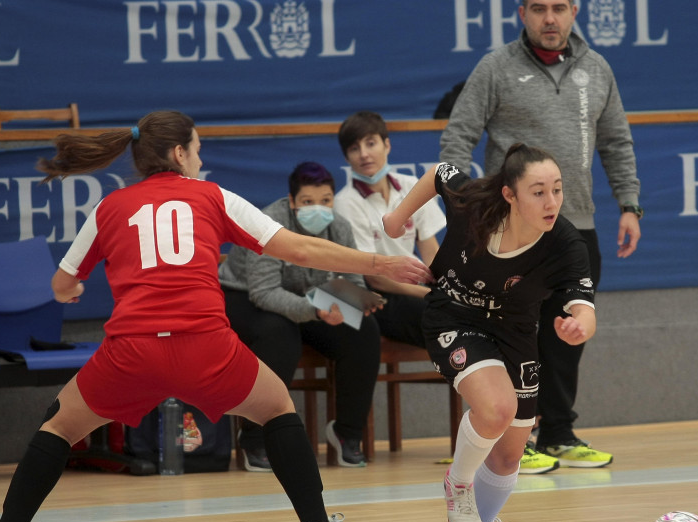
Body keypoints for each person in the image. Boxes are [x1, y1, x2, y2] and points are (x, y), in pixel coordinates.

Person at [0, 110, 432, 522]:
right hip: (205, 346)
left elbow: (61, 285)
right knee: (275, 411)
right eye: (198, 149)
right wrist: (379, 264)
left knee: (59, 427)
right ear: (180, 152)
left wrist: (75, 289)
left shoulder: (109, 208)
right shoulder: (213, 197)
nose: (200, 159)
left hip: (131, 352)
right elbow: (299, 248)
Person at [439, 0, 641, 473]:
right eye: (538, 8)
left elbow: (616, 140)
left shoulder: (596, 67)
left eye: (558, 8)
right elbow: (457, 137)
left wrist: (629, 204)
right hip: (511, 234)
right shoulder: (496, 67)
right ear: (521, 14)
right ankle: (517, 438)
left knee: (570, 331)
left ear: (574, 11)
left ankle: (558, 434)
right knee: (513, 333)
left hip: (577, 228)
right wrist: (468, 209)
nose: (549, 18)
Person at [382, 144, 596, 522]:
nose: (551, 202)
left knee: (508, 455)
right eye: (538, 192)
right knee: (497, 409)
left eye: (557, 189)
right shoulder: (476, 204)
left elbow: (583, 305)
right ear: (509, 195)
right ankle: (458, 482)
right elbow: (439, 171)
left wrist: (578, 327)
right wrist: (397, 218)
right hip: (453, 317)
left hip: (515, 331)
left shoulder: (566, 243)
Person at [220, 161, 381, 469]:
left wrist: (357, 303)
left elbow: (354, 280)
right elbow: (264, 292)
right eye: (308, 202)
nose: (318, 208)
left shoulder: (340, 227)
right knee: (279, 332)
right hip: (244, 296)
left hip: (310, 299)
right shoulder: (268, 223)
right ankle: (255, 439)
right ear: (292, 202)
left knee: (364, 328)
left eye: (326, 201)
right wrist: (314, 310)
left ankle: (347, 434)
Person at [333, 111, 446, 349]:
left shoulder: (410, 186)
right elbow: (373, 276)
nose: (364, 154)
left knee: (468, 314)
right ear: (347, 157)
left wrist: (445, 289)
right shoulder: (346, 203)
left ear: (387, 145)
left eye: (371, 143)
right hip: (375, 293)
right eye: (354, 148)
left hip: (416, 287)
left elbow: (430, 248)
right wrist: (429, 295)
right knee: (442, 320)